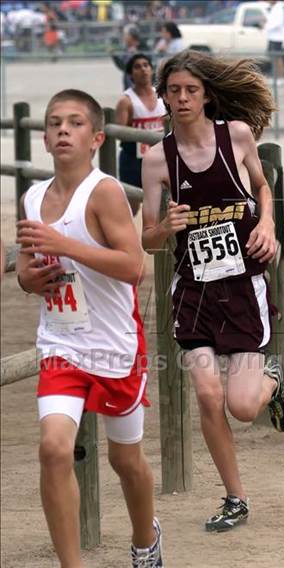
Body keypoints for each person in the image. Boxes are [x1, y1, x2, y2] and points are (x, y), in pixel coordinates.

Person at [141, 50, 284, 532]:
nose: (182, 98)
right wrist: (164, 227)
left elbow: (262, 185)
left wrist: (267, 221)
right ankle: (235, 497)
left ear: (207, 93)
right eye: (173, 91)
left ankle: (273, 380)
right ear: (163, 97)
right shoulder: (155, 159)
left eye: (191, 90)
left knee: (243, 407)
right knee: (208, 395)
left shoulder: (236, 136)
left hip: (243, 288)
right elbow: (146, 240)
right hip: (194, 293)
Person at [15, 89, 163, 568]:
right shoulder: (33, 196)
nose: (63, 130)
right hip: (61, 343)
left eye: (75, 123)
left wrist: (66, 243)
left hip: (114, 346)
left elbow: (133, 266)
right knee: (54, 449)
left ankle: (145, 539)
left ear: (97, 137)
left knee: (126, 462)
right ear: (43, 138)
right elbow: (25, 268)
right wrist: (30, 279)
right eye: (54, 122)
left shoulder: (105, 193)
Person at [115, 53, 166, 215]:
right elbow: (119, 133)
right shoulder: (126, 101)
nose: (143, 70)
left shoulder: (162, 97)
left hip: (159, 158)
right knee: (132, 206)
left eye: (146, 65)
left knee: (161, 204)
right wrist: (143, 136)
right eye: (137, 67)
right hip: (133, 160)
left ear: (152, 70)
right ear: (130, 74)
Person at [110, 24, 147, 90]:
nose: (123, 37)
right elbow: (123, 67)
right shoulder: (127, 49)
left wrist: (137, 54)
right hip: (129, 87)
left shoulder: (143, 47)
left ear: (131, 36)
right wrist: (114, 56)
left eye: (125, 35)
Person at [265, 0, 284, 79]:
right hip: (272, 37)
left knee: (278, 58)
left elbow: (277, 23)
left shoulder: (279, 8)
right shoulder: (274, 8)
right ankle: (276, 78)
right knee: (273, 58)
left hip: (277, 38)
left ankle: (279, 78)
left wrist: (267, 27)